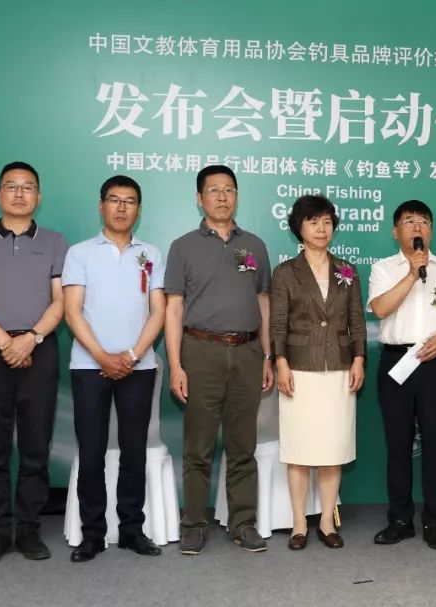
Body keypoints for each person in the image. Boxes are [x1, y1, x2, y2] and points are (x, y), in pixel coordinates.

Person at [0, 161, 68, 564]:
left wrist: (31, 339)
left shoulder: (55, 242)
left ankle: (29, 529)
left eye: (28, 187)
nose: (20, 193)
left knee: (36, 446)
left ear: (39, 196)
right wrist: (6, 342)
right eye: (11, 186)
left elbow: (62, 300)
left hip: (39, 349)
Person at [164, 165, 274, 555]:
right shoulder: (183, 247)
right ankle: (194, 524)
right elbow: (173, 308)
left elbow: (263, 302)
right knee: (199, 448)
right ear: (200, 198)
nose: (222, 197)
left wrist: (267, 355)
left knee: (243, 446)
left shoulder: (254, 245)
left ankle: (243, 523)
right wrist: (176, 365)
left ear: (237, 196)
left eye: (229, 189)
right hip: (201, 352)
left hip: (247, 353)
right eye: (214, 190)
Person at [62, 176, 166, 562]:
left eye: (130, 201)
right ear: (101, 205)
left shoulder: (151, 253)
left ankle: (132, 530)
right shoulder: (80, 253)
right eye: (114, 199)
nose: (122, 207)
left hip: (139, 367)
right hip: (89, 366)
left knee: (133, 451)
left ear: (139, 209)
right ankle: (92, 534)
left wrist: (133, 356)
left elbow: (158, 311)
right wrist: (103, 357)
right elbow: (72, 311)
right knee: (91, 452)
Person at [368, 200, 436, 550]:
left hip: (435, 363)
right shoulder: (384, 268)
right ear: (395, 231)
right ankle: (400, 520)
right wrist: (412, 274)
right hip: (396, 362)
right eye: (409, 222)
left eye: (424, 222)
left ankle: (434, 521)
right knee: (398, 445)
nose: (417, 227)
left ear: (431, 230)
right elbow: (380, 308)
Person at [270, 195, 367, 550]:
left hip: (339, 369)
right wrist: (280, 362)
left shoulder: (347, 270)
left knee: (332, 448)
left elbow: (357, 321)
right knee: (299, 449)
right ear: (299, 228)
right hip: (299, 369)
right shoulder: (285, 272)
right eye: (313, 222)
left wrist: (359, 359)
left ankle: (327, 522)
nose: (321, 229)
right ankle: (299, 524)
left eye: (327, 222)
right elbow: (277, 324)